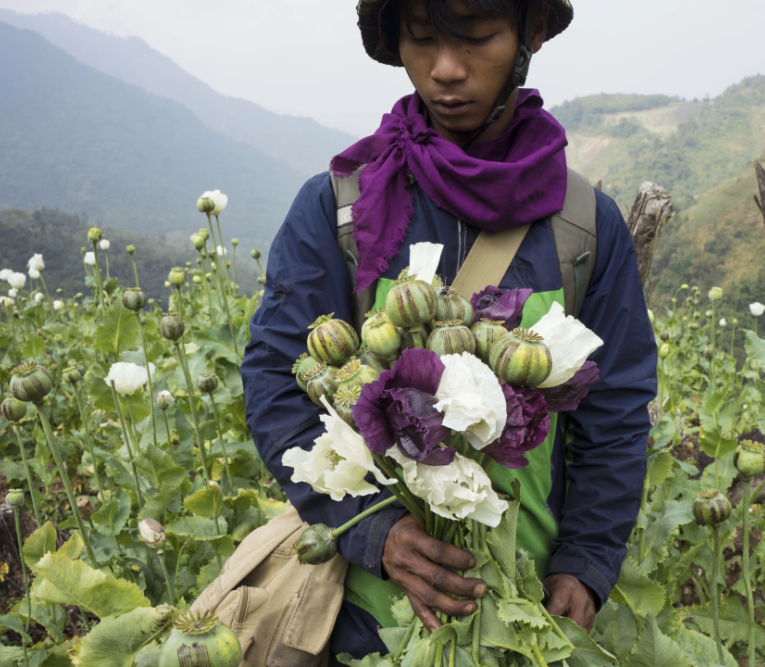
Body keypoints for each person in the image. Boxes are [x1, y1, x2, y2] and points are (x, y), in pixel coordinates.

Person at [241, 0, 657, 659]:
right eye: (422, 39)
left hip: (530, 613)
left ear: (531, 34)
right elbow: (276, 380)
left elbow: (617, 410)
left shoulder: (584, 228)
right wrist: (374, 534)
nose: (444, 70)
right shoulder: (340, 209)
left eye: (478, 38)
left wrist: (586, 559)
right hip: (365, 619)